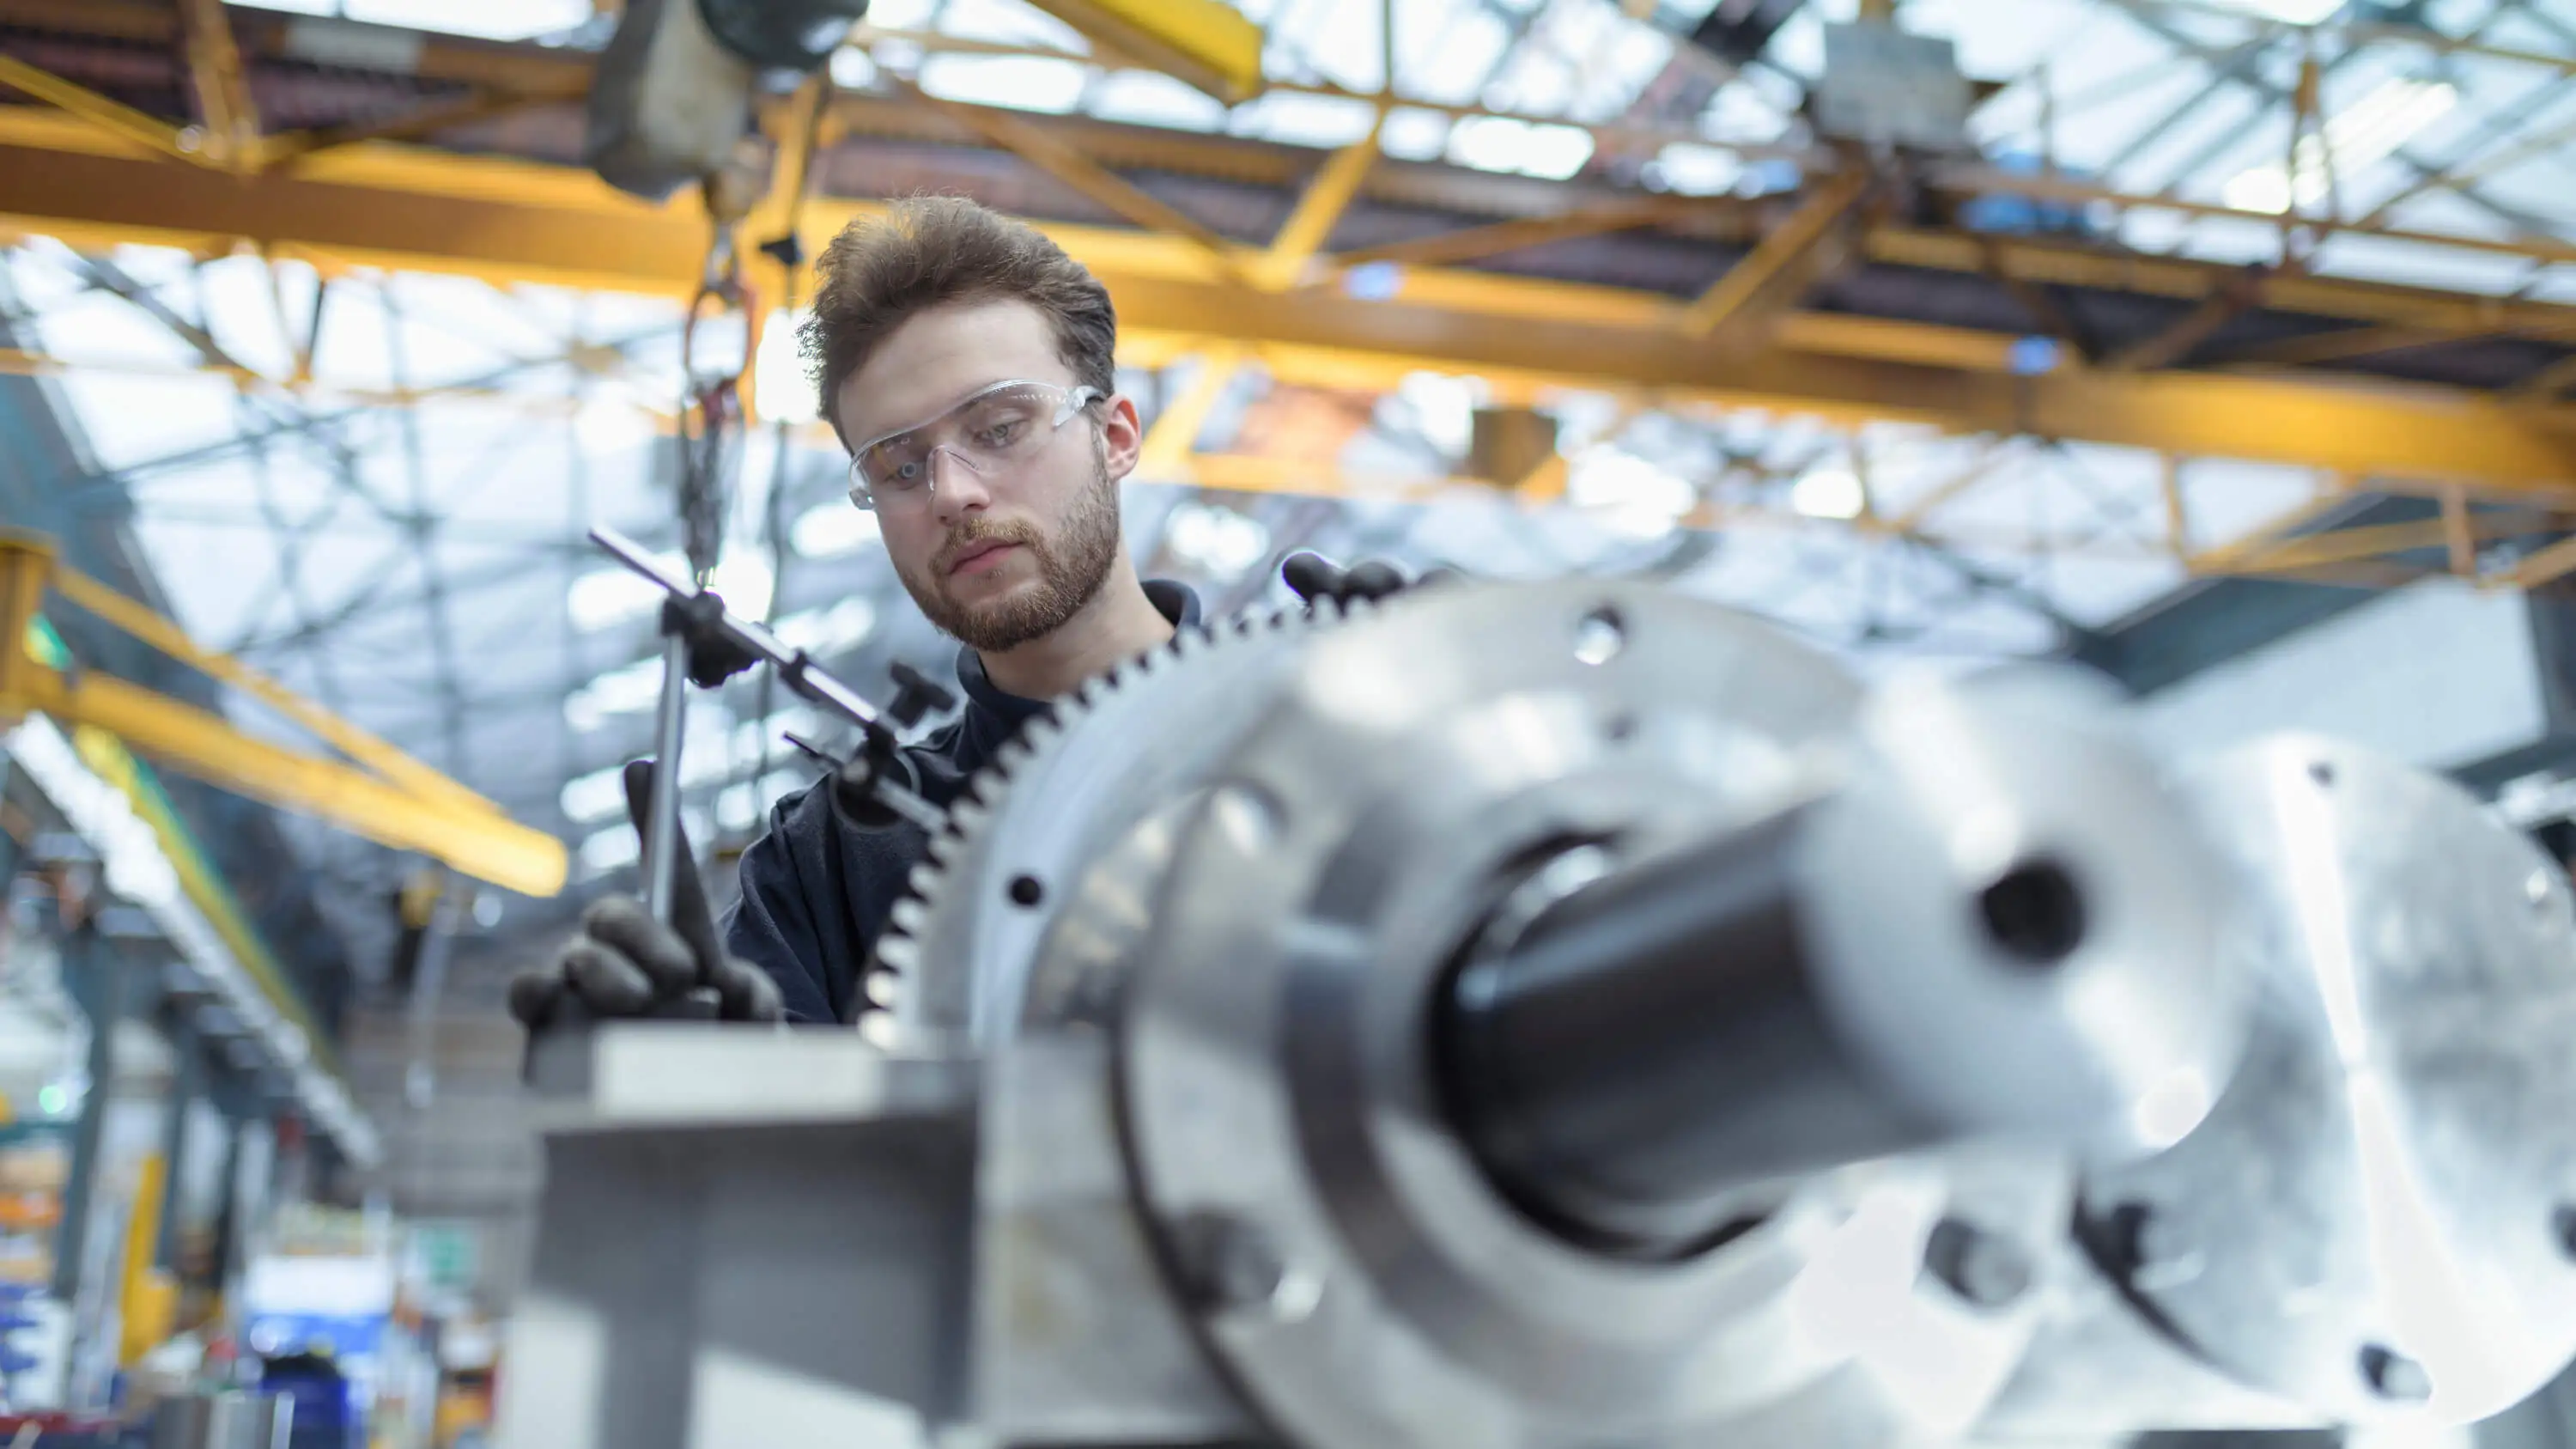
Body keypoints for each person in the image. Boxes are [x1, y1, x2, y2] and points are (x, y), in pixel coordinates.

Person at [508, 197, 1400, 1030]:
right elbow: (761, 1171)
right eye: (900, 466)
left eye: (1000, 426)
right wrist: (683, 1090)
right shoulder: (833, 861)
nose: (952, 494)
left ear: (1117, 436)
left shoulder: (1331, 745)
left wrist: (1503, 755)